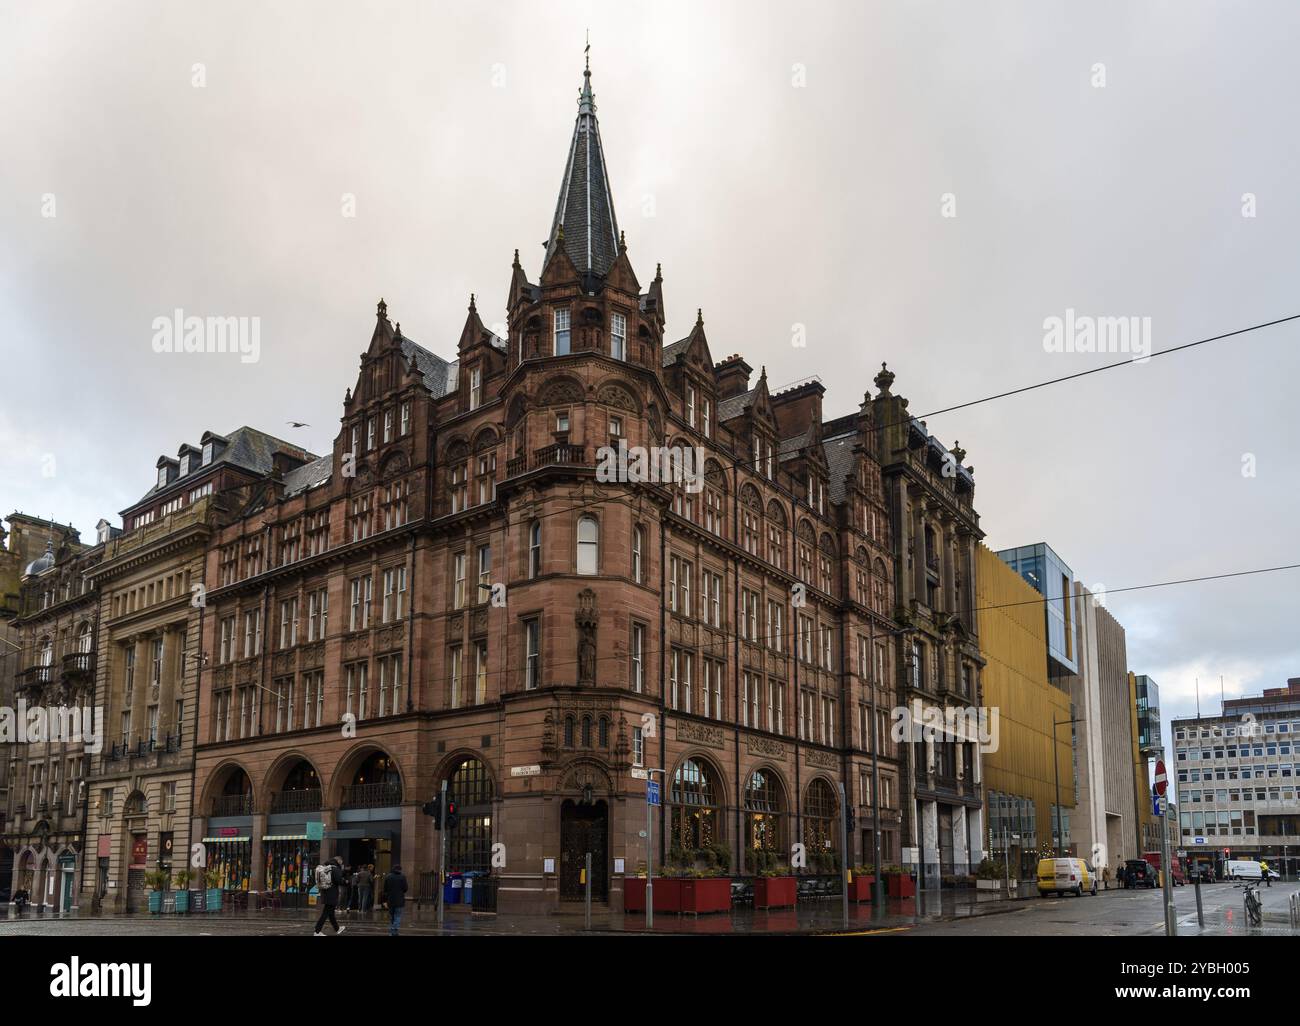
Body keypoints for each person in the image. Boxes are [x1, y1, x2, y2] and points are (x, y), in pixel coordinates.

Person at [313, 855, 347, 936]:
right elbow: (339, 880)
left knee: (330, 913)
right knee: (325, 913)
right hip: (331, 893)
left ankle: (337, 929)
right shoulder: (335, 868)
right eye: (341, 862)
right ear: (339, 861)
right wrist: (345, 881)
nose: (342, 864)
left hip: (325, 892)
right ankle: (317, 932)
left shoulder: (327, 867)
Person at [381, 864, 408, 936]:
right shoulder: (403, 877)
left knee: (392, 916)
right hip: (399, 900)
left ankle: (392, 930)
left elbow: (385, 889)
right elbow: (405, 889)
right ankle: (394, 930)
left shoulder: (388, 877)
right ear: (400, 870)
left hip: (390, 900)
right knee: (398, 916)